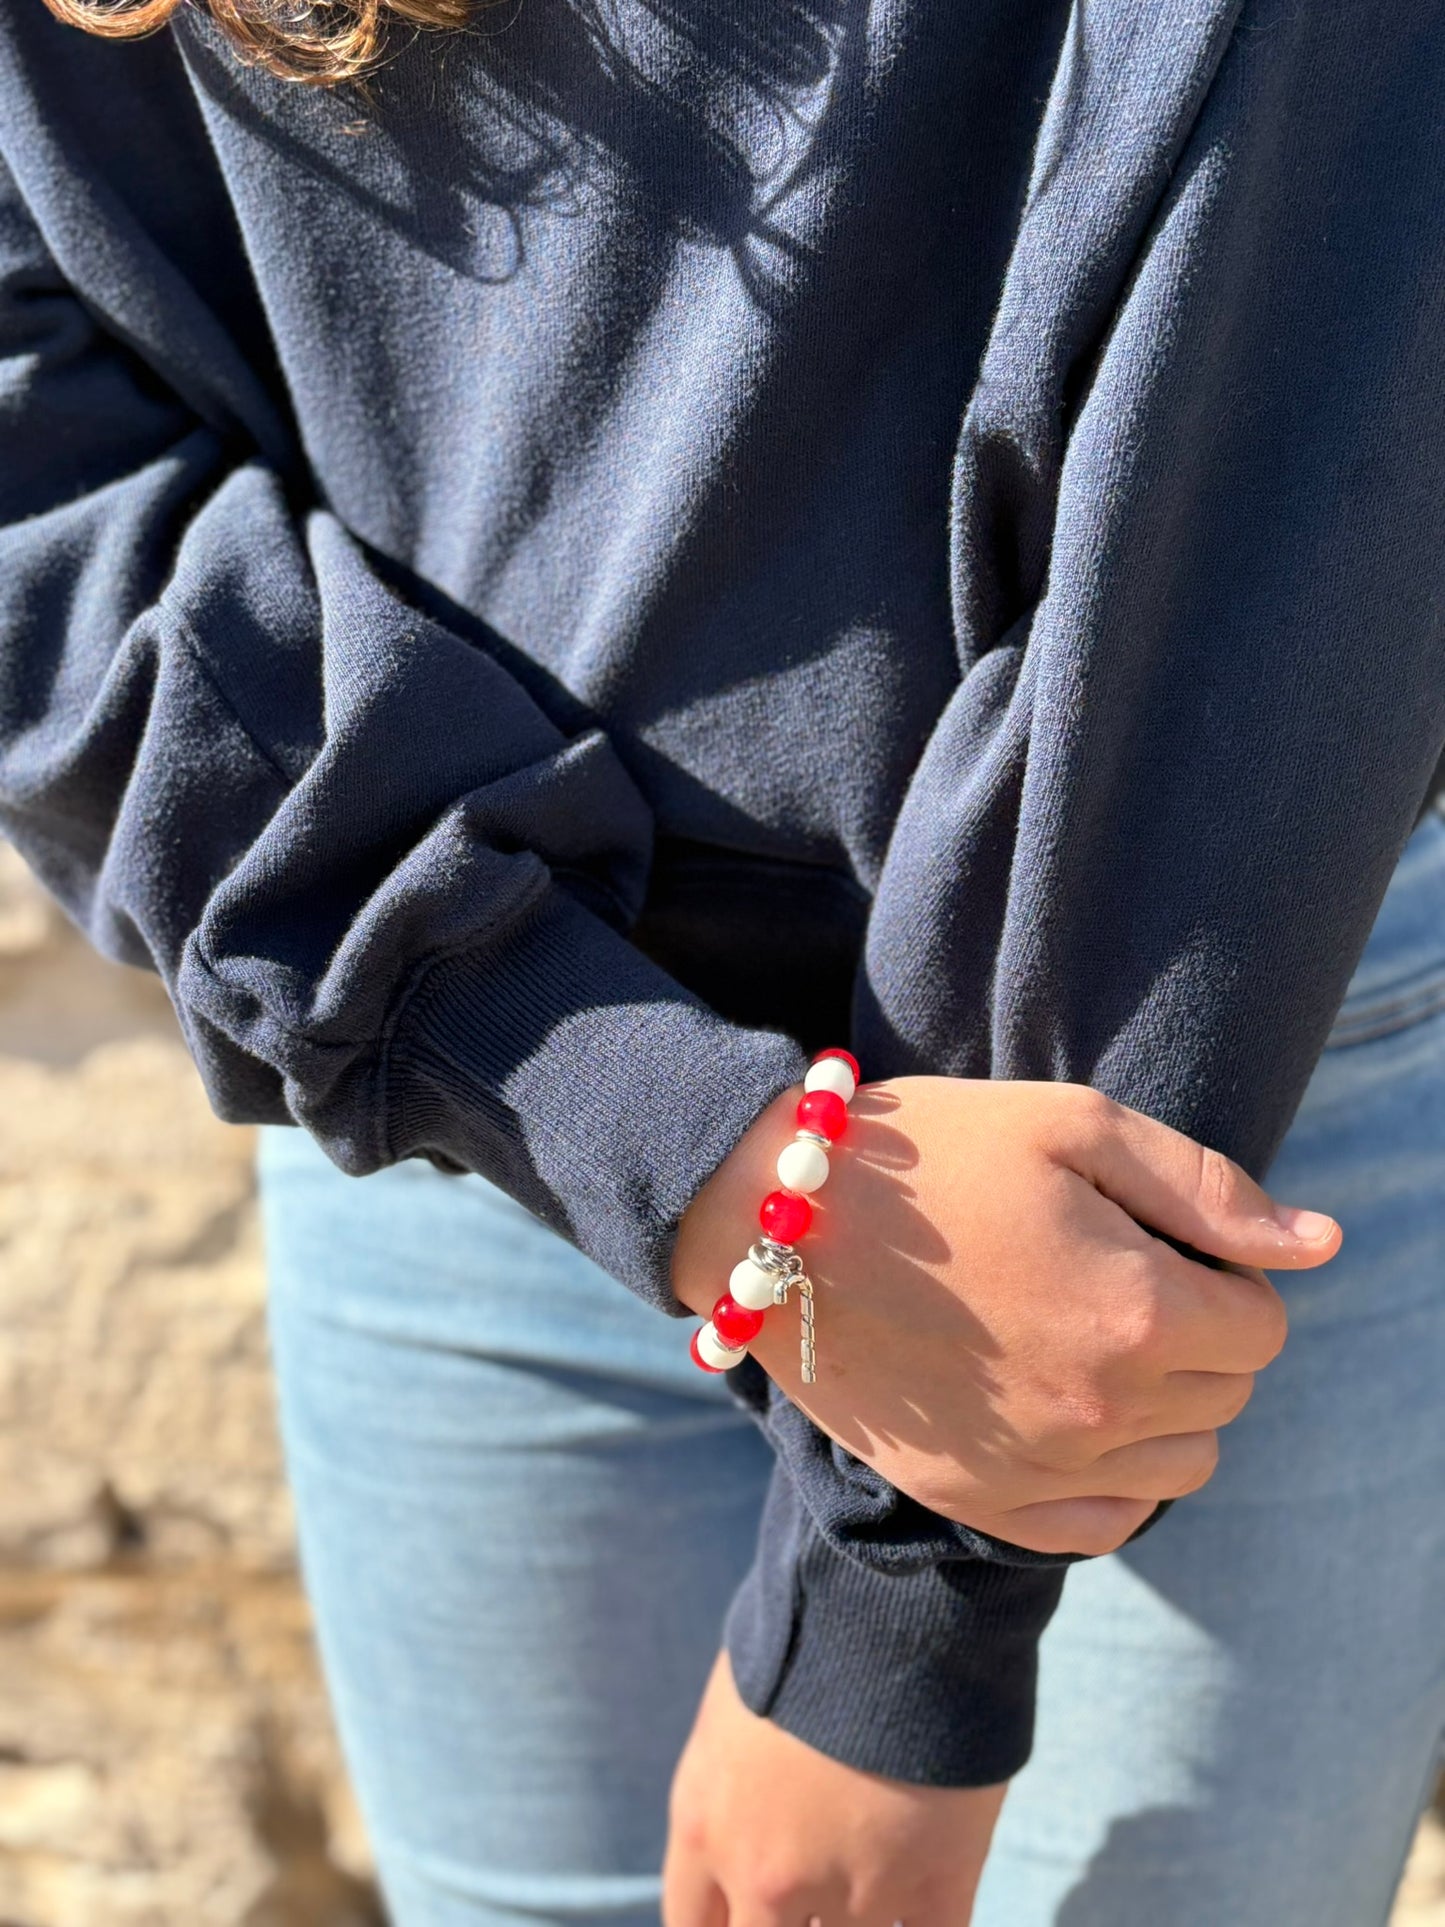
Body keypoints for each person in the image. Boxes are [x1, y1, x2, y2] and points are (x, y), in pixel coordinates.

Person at [1, 0, 1441, 1922]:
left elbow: (1289, 366)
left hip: (1167, 1085)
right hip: (457, 1088)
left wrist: (894, 1615)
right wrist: (602, 1092)